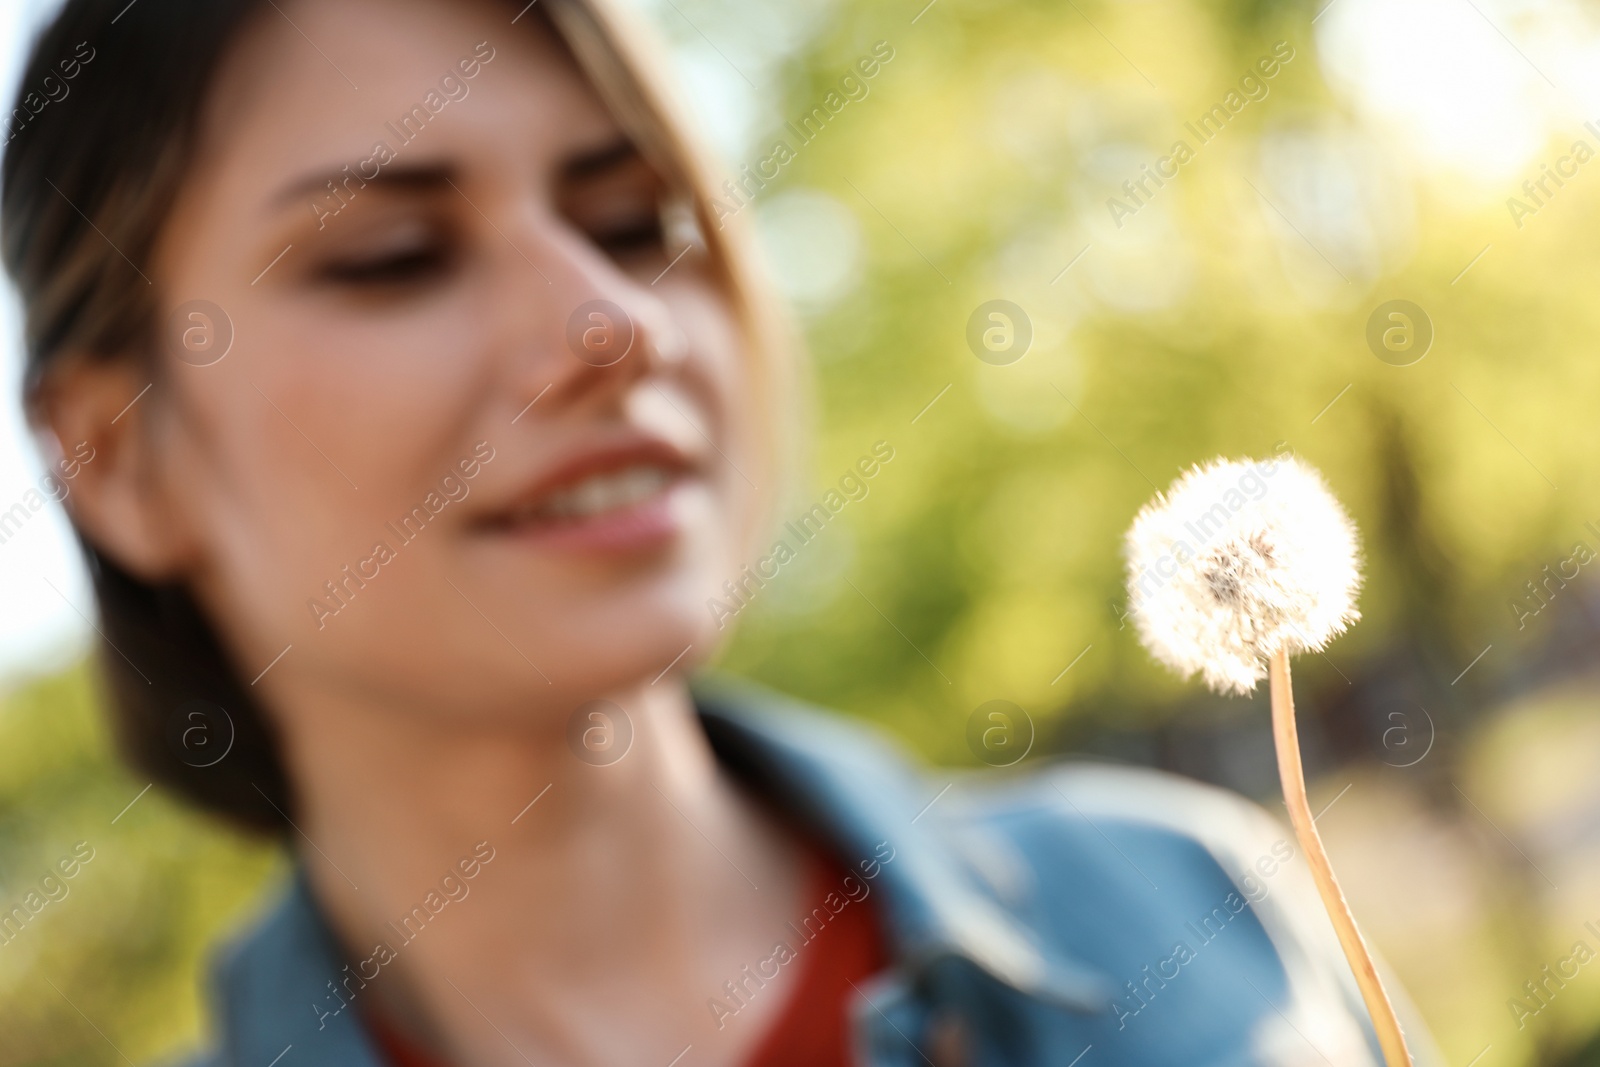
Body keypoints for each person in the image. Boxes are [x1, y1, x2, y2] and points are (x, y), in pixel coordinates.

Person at [2, 0, 1438, 1064]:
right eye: (396, 257)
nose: (610, 321)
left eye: (635, 221)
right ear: (117, 456)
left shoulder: (1204, 915)